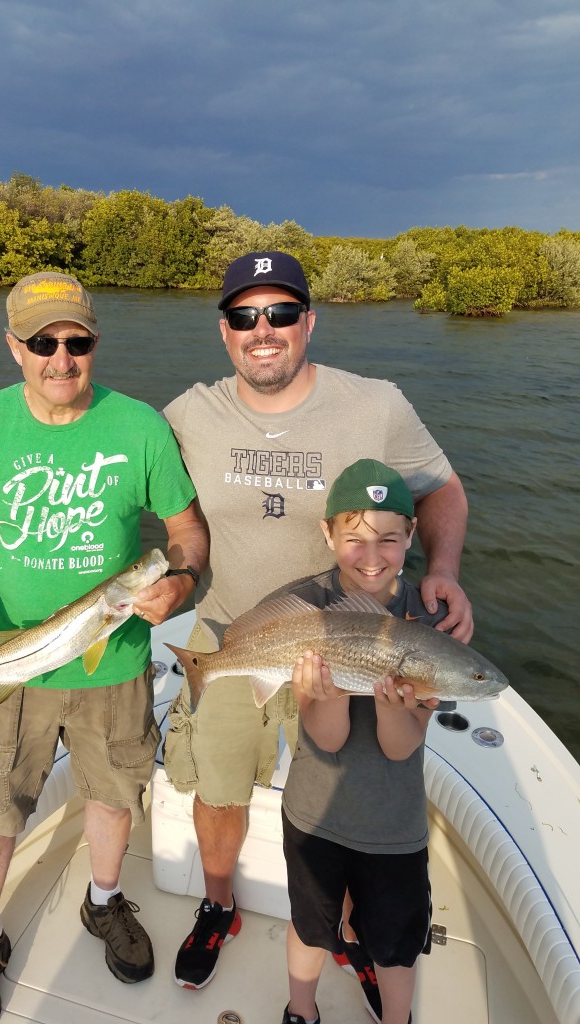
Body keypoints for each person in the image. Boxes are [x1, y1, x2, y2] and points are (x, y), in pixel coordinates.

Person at [161, 251, 472, 997]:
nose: (261, 330)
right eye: (244, 316)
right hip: (232, 635)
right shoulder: (185, 415)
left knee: (346, 801)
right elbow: (138, 491)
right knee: (221, 784)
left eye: (279, 313)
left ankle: (356, 934)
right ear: (224, 329)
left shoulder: (376, 404)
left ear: (309, 320)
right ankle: (218, 904)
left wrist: (443, 571)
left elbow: (445, 489)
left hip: (348, 641)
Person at [0, 271, 208, 1024]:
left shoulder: (139, 426)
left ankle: (104, 902)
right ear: (14, 347)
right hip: (5, 663)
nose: (61, 357)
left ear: (94, 344)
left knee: (115, 794)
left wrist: (176, 585)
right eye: (42, 342)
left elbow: (185, 534)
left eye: (76, 341)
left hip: (113, 663)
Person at [281, 458, 442, 1024]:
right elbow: (327, 739)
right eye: (354, 540)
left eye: (389, 540)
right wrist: (323, 692)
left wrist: (393, 705)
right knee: (311, 929)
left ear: (411, 537)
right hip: (314, 815)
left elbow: (401, 748)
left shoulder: (428, 623)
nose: (372, 557)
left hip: (393, 827)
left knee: (396, 945)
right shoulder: (306, 609)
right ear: (327, 534)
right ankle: (301, 1010)